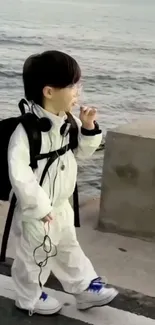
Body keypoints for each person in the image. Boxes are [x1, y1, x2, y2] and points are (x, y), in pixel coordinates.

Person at [8, 50, 118, 316]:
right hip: (38, 211)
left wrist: (89, 128)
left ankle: (84, 289)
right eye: (72, 86)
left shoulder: (68, 122)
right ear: (48, 91)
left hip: (61, 206)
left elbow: (79, 153)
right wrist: (39, 208)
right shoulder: (26, 131)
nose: (77, 91)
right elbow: (19, 174)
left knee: (68, 246)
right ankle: (29, 297)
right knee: (36, 255)